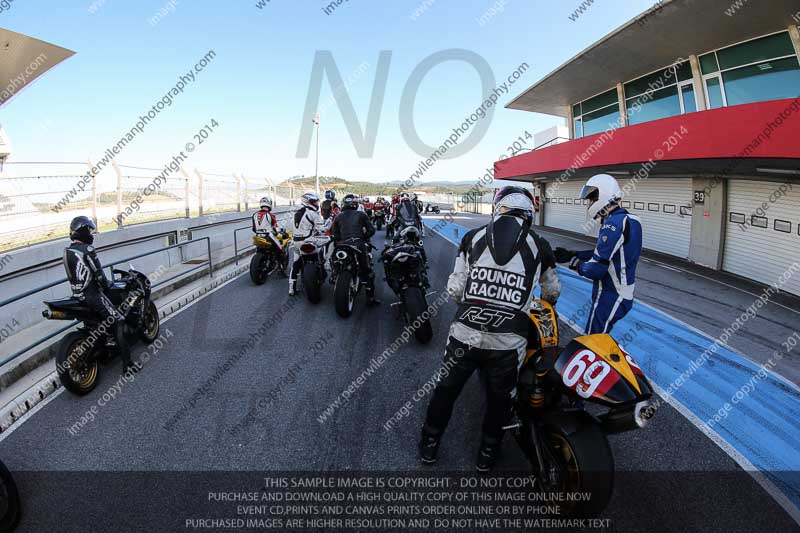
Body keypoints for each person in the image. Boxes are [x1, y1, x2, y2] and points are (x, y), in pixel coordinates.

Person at [419, 186, 561, 472]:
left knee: (446, 390)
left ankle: (429, 445)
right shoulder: (540, 245)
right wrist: (538, 303)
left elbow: (456, 288)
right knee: (500, 400)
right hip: (509, 341)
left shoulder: (473, 237)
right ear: (529, 213)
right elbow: (552, 289)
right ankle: (487, 453)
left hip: (465, 333)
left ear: (499, 208)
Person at [554, 174, 642, 335]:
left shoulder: (612, 224)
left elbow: (596, 269)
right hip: (622, 293)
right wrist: (574, 253)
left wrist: (575, 263)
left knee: (592, 342)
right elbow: (607, 255)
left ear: (604, 195)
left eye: (592, 198)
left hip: (611, 294)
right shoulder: (631, 219)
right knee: (599, 339)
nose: (590, 203)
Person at [63, 216, 136, 375]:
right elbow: (100, 277)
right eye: (89, 230)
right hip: (93, 295)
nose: (91, 234)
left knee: (97, 323)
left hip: (77, 296)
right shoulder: (88, 250)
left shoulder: (67, 251)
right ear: (82, 232)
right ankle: (128, 365)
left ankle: (104, 345)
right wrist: (109, 286)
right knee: (119, 320)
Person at [330, 193, 380, 306]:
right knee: (367, 271)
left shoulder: (338, 217)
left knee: (335, 259)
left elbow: (335, 235)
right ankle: (370, 298)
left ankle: (334, 274)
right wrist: (364, 237)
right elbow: (371, 230)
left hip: (343, 245)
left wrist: (341, 239)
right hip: (359, 244)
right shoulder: (361, 215)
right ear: (355, 204)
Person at [289, 192, 326, 296]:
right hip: (309, 240)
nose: (317, 203)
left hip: (296, 242)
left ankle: (291, 288)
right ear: (309, 202)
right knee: (327, 240)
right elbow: (322, 229)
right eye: (314, 201)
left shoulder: (296, 213)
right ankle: (323, 264)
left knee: (295, 263)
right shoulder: (314, 214)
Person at [252, 196, 288, 275]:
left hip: (258, 236)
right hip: (269, 236)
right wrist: (281, 232)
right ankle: (282, 268)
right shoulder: (270, 215)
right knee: (281, 250)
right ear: (269, 204)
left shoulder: (254, 214)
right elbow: (275, 228)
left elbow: (254, 229)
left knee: (259, 249)